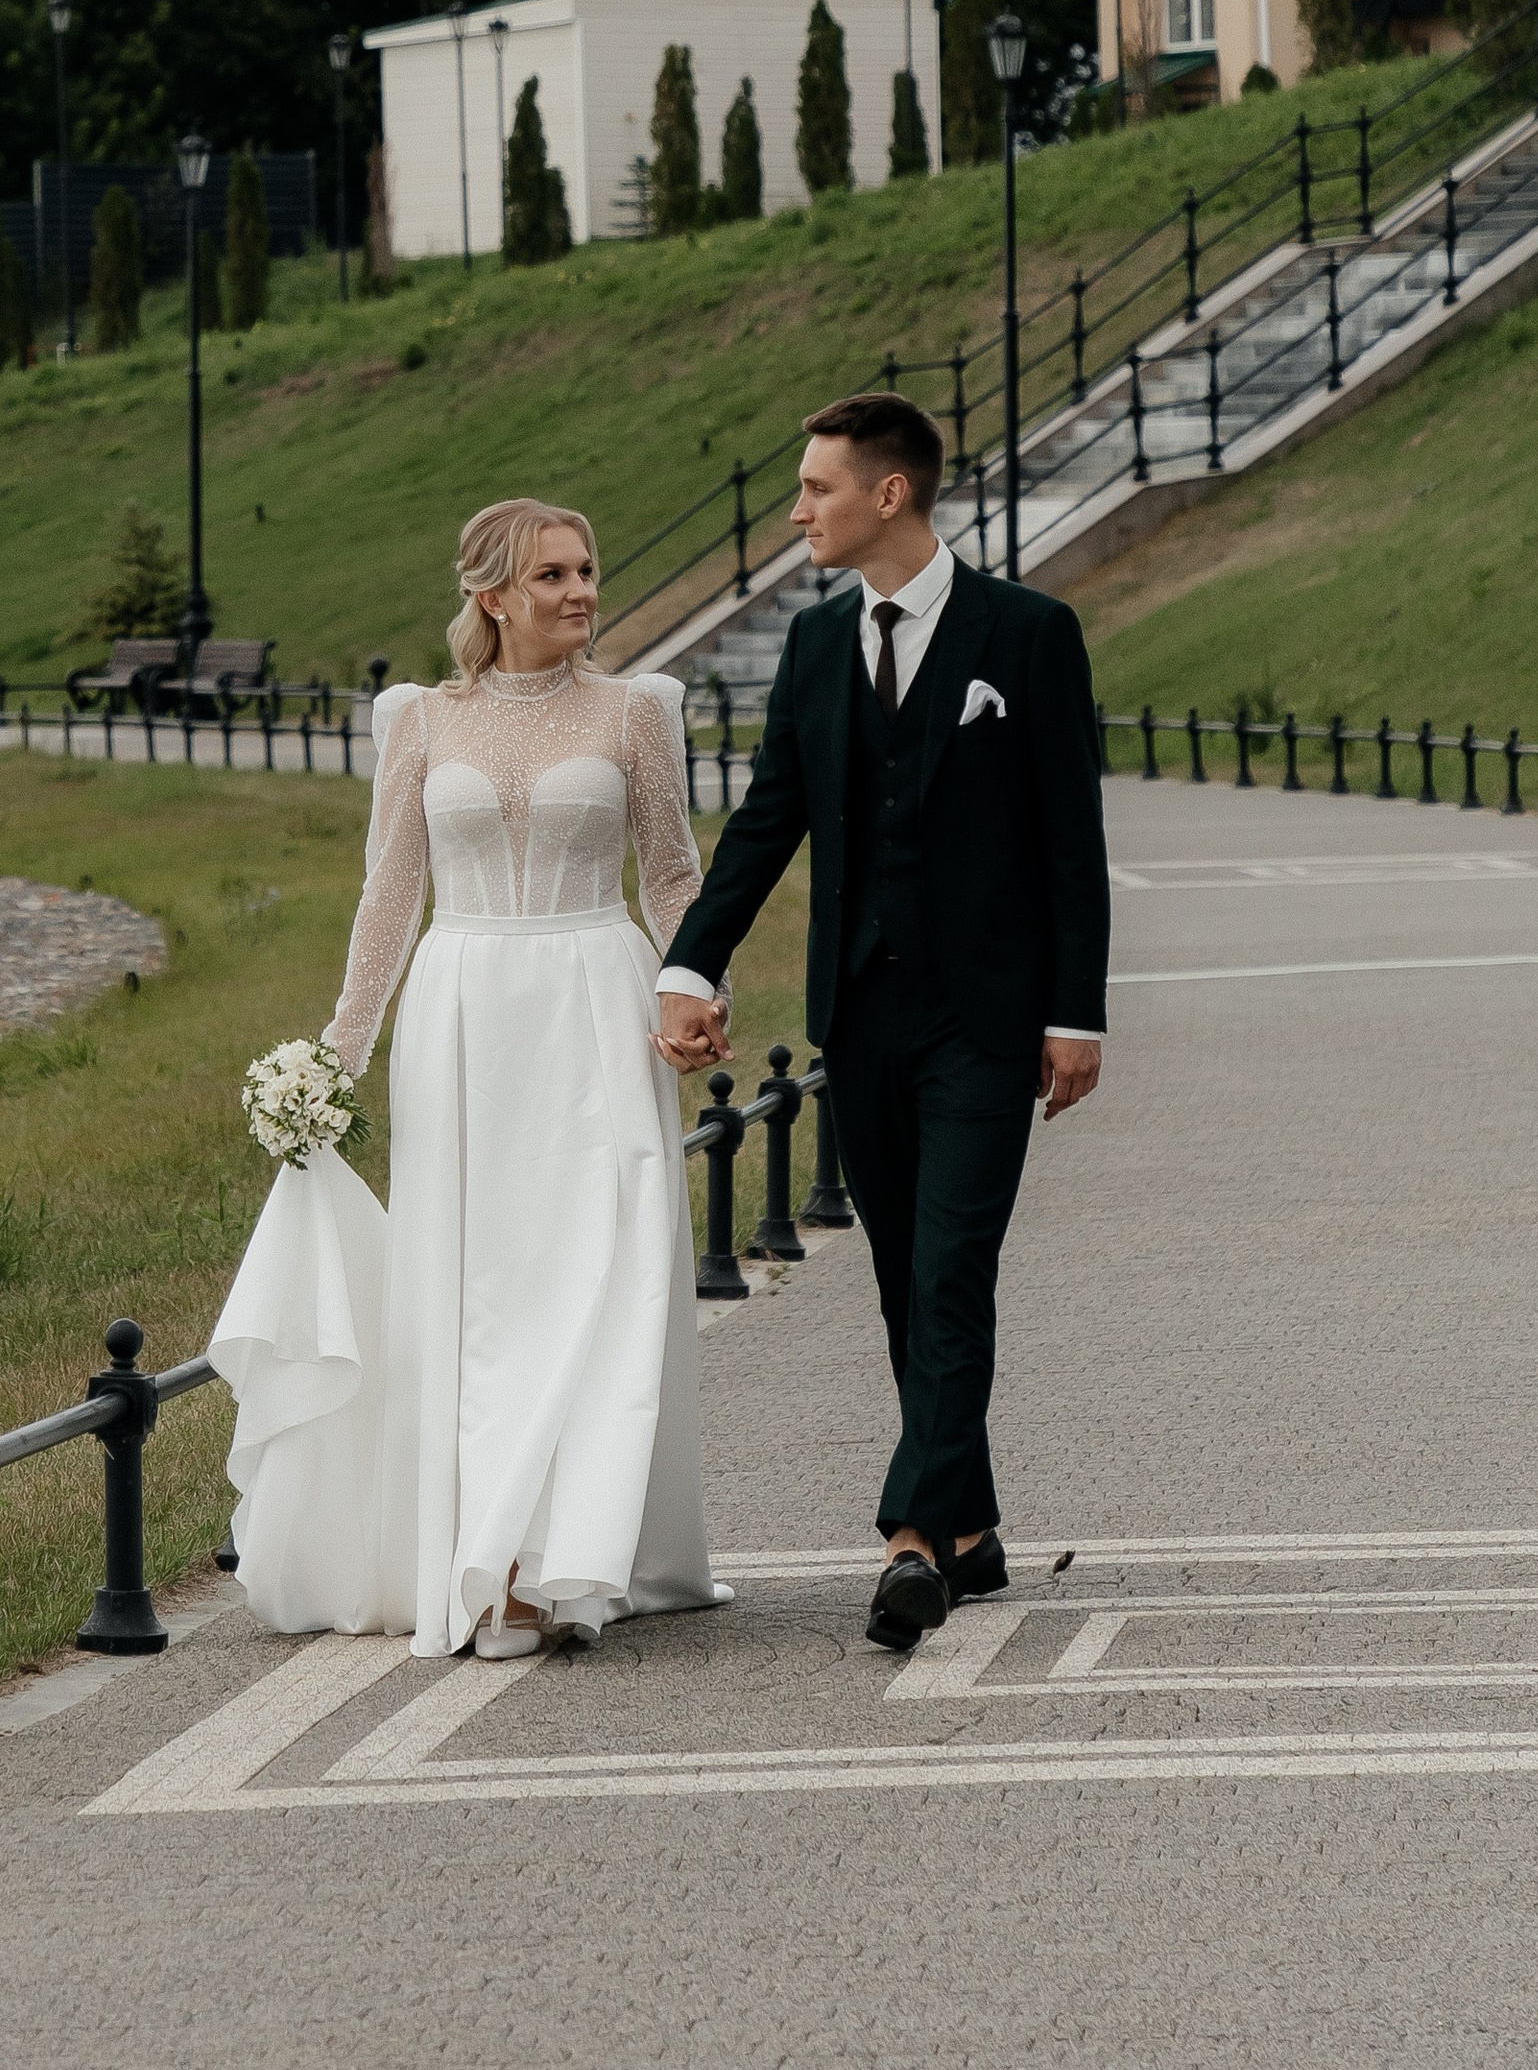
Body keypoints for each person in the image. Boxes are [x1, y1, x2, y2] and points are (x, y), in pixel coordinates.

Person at [212, 498, 723, 1657]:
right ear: (491, 596)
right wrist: (336, 1059)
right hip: (464, 1020)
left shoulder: (638, 712)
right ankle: (485, 1559)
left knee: (600, 1272)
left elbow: (674, 877)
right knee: (478, 1290)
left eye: (588, 569)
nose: (581, 591)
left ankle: (559, 1558)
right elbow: (390, 895)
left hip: (596, 995)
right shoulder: (420, 721)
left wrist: (696, 992)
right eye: (552, 574)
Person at [654, 391, 1108, 1651]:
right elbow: (764, 828)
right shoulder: (811, 647)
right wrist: (690, 966)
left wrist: (1078, 1014)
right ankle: (972, 1530)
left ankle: (911, 1538)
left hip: (988, 1018)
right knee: (907, 1282)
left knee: (955, 1266)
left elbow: (1072, 839)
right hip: (862, 1014)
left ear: (888, 494)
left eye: (816, 488)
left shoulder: (1027, 635)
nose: (796, 510)